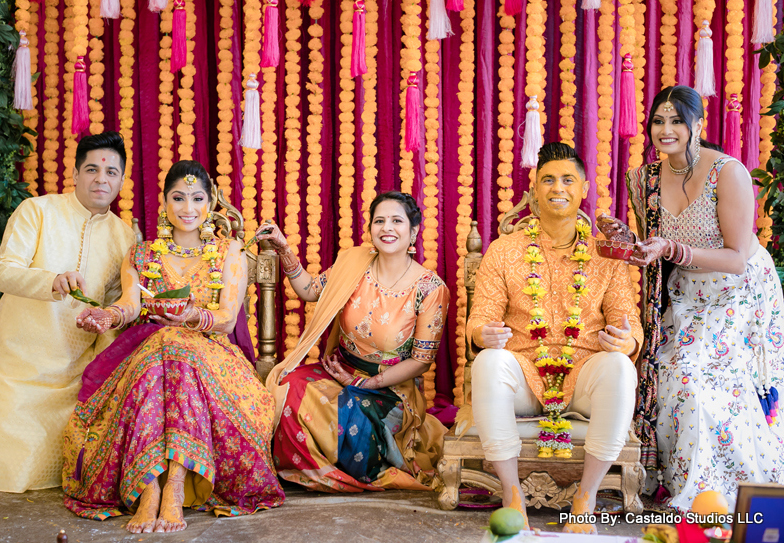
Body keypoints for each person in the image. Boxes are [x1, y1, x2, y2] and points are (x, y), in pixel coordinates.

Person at [61, 161, 284, 533]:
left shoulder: (228, 251)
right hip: (151, 358)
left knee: (175, 344)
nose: (188, 208)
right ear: (164, 203)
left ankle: (175, 487)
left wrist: (191, 318)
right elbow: (132, 305)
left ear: (210, 203)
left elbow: (228, 319)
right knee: (166, 341)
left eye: (198, 198)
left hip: (213, 361)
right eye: (178, 198)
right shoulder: (142, 254)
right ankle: (150, 489)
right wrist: (109, 317)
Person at [598, 85, 784, 511]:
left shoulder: (727, 172)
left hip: (739, 294)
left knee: (697, 382)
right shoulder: (642, 179)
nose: (666, 130)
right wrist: (629, 241)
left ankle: (710, 491)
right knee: (664, 376)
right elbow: (654, 245)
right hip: (685, 293)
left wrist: (673, 250)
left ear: (697, 124)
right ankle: (668, 475)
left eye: (677, 120)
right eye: (658, 121)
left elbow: (737, 258)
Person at [464, 143, 642, 534]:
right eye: (547, 179)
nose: (556, 187)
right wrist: (483, 333)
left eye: (567, 179)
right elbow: (480, 319)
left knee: (617, 366)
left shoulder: (607, 254)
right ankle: (513, 495)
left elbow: (629, 325)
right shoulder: (503, 251)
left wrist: (625, 342)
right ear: (533, 189)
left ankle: (586, 497)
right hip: (524, 377)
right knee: (489, 361)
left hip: (584, 376)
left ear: (583, 188)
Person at [0, 132, 135, 493]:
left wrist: (104, 327)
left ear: (122, 180)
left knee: (62, 486)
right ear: (74, 174)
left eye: (111, 172)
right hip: (20, 361)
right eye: (91, 169)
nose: (101, 179)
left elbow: (115, 303)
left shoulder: (125, 238)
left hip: (75, 366)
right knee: (5, 481)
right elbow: (3, 272)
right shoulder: (37, 211)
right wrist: (52, 280)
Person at [257, 191, 449, 492]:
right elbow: (308, 289)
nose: (387, 228)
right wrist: (284, 249)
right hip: (339, 370)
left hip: (390, 390)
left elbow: (421, 361)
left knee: (350, 410)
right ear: (370, 228)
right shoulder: (354, 264)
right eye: (379, 221)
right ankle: (309, 468)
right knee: (287, 384)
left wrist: (365, 384)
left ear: (413, 231)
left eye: (397, 221)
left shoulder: (430, 288)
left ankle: (351, 468)